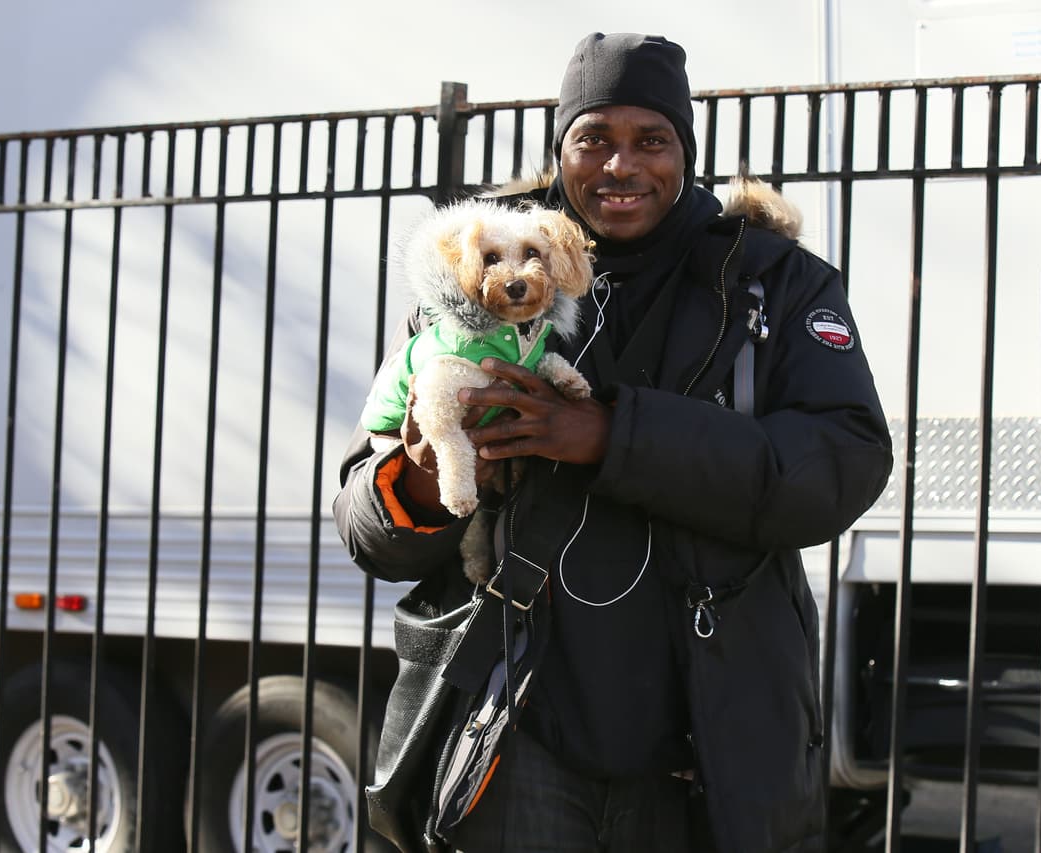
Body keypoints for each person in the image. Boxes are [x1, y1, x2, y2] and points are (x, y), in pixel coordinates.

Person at [334, 31, 893, 853]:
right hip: (515, 738)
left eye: (650, 140)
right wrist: (422, 474)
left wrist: (610, 435)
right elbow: (362, 521)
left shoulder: (772, 278)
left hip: (708, 747)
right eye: (593, 139)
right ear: (561, 152)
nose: (620, 166)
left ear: (685, 151)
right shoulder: (478, 288)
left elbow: (843, 464)